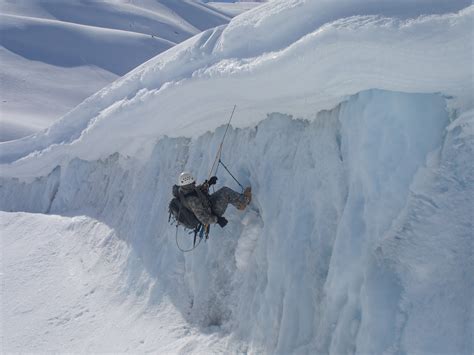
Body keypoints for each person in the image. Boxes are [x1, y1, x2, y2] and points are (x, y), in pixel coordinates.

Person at [176, 171, 251, 228]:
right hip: (212, 213)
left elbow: (197, 192)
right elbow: (203, 218)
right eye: (193, 182)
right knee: (225, 192)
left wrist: (208, 184)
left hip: (208, 203)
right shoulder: (192, 201)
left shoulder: (185, 189)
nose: (195, 182)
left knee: (224, 190)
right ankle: (244, 201)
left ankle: (239, 203)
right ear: (188, 182)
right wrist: (218, 220)